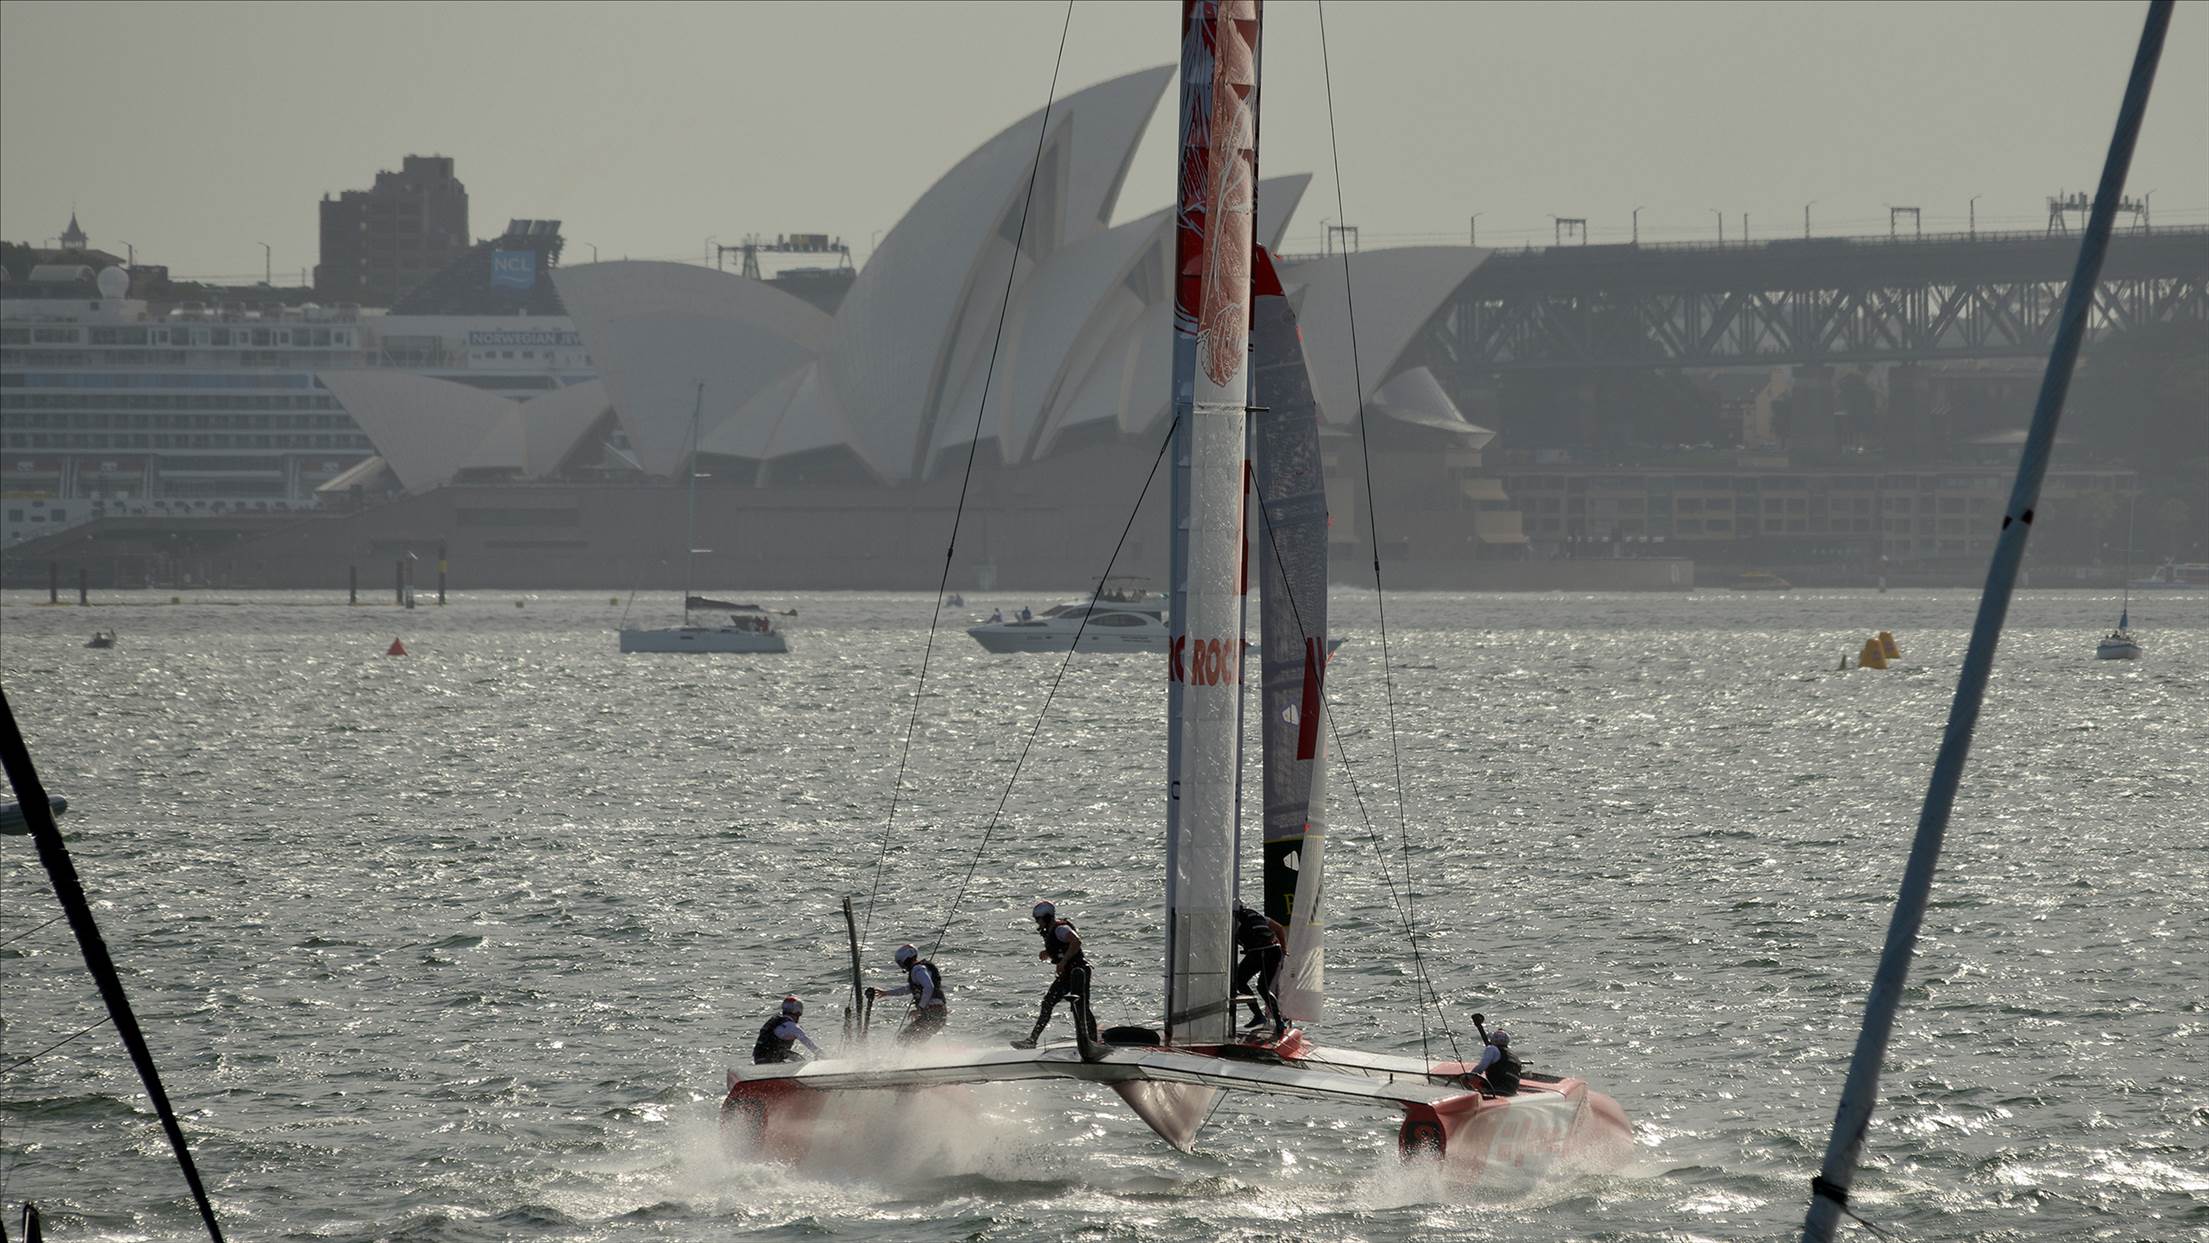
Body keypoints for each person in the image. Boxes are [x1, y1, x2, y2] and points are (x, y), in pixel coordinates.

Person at [1011, 900, 1097, 1048]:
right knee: (1048, 1003)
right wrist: (1048, 952)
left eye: (1038, 919)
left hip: (1078, 972)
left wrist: (1063, 962)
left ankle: (1092, 1041)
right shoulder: (1051, 931)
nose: (1037, 922)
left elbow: (1076, 941)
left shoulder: (1061, 929)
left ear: (1046, 917)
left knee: (1080, 1007)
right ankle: (1032, 1040)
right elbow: (1061, 947)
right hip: (1067, 975)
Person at [866, 943, 949, 1043]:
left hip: (933, 1013)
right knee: (912, 1041)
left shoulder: (918, 969)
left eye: (901, 963)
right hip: (937, 1014)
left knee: (903, 1039)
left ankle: (913, 1053)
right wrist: (887, 993)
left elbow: (929, 987)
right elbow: (909, 989)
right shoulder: (922, 969)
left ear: (905, 960)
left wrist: (920, 1008)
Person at [1230, 901, 1287, 1038]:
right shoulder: (1256, 915)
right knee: (1263, 987)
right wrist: (1284, 949)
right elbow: (1279, 928)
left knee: (1239, 981)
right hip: (1275, 951)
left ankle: (1259, 1015)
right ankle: (1279, 1022)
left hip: (1259, 952)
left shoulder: (1232, 920)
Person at [751, 995, 823, 1065]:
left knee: (785, 1053)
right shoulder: (792, 1026)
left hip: (758, 1059)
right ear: (798, 1011)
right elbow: (807, 1042)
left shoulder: (775, 1021)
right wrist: (820, 1054)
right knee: (799, 1059)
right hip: (769, 1059)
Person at [1472, 1028, 1521, 1096]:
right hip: (1512, 1090)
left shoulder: (1491, 1049)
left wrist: (1468, 1077)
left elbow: (1481, 1067)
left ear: (1493, 1040)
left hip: (1497, 1089)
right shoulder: (1514, 1055)